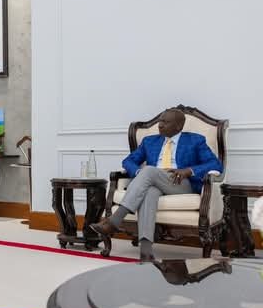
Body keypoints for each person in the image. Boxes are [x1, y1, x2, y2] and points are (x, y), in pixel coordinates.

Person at [90, 109, 223, 262]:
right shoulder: (149, 141)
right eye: (160, 121)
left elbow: (215, 164)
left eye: (165, 122)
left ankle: (115, 220)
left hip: (179, 183)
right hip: (152, 180)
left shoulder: (195, 140)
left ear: (179, 126)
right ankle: (146, 252)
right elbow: (128, 161)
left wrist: (189, 170)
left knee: (149, 170)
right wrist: (139, 172)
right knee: (150, 191)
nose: (160, 125)